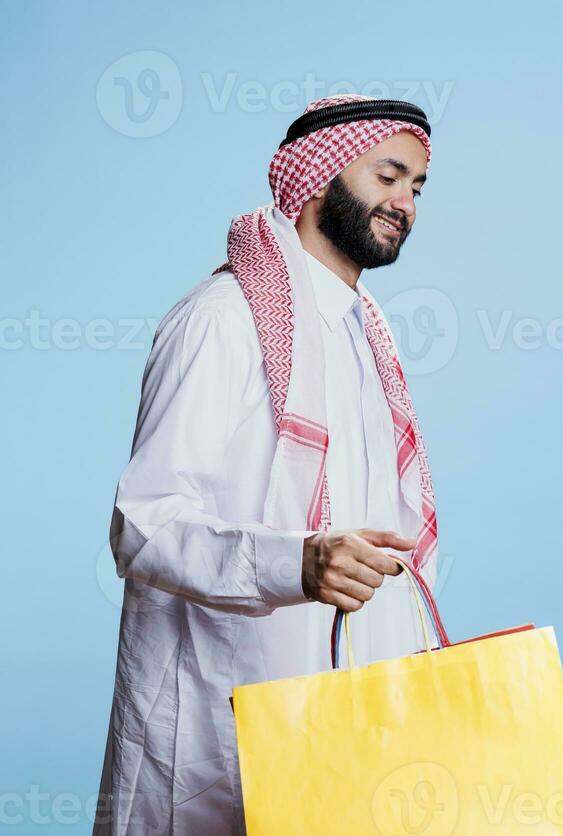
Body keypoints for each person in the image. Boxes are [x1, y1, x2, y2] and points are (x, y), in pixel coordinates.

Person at [92, 94, 440, 835]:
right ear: (315, 178)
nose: (404, 202)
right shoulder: (221, 320)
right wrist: (298, 565)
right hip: (219, 722)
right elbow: (143, 526)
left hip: (349, 730)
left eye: (416, 187)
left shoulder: (366, 341)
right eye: (388, 176)